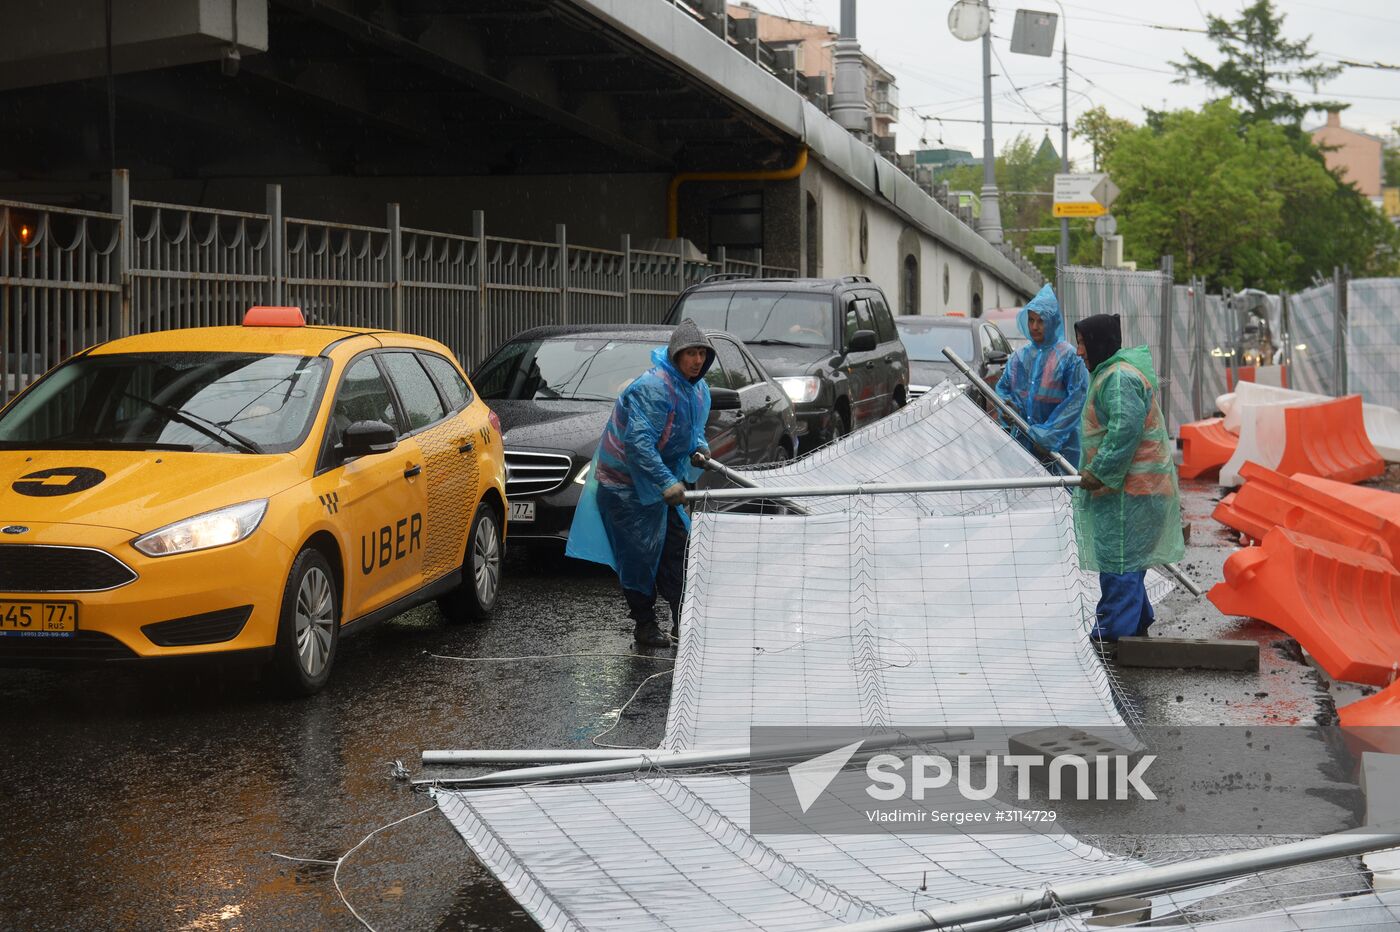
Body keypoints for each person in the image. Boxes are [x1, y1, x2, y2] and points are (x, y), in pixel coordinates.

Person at [567, 321, 714, 647]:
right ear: (677, 355)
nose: (697, 360)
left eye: (702, 353)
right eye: (691, 353)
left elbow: (693, 431)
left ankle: (684, 623)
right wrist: (665, 481)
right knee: (639, 557)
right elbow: (639, 444)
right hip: (625, 487)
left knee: (677, 552)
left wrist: (699, 451)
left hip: (664, 485)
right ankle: (645, 626)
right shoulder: (654, 389)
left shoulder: (696, 390)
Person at [1071, 313, 1185, 641]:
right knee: (1126, 563)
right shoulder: (1112, 374)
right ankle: (1136, 623)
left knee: (1120, 564)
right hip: (1132, 491)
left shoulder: (1118, 378)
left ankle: (1112, 638)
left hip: (1132, 492)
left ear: (1099, 343)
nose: (1080, 352)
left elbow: (1125, 430)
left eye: (1083, 343)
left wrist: (1100, 472)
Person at [994, 283, 1088, 469]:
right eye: (1031, 320)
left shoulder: (1069, 357)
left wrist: (1049, 435)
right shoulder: (1019, 358)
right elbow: (1003, 389)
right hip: (1023, 444)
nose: (1034, 327)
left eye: (1041, 321)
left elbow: (1076, 401)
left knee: (1060, 493)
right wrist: (1010, 409)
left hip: (1061, 449)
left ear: (1052, 322)